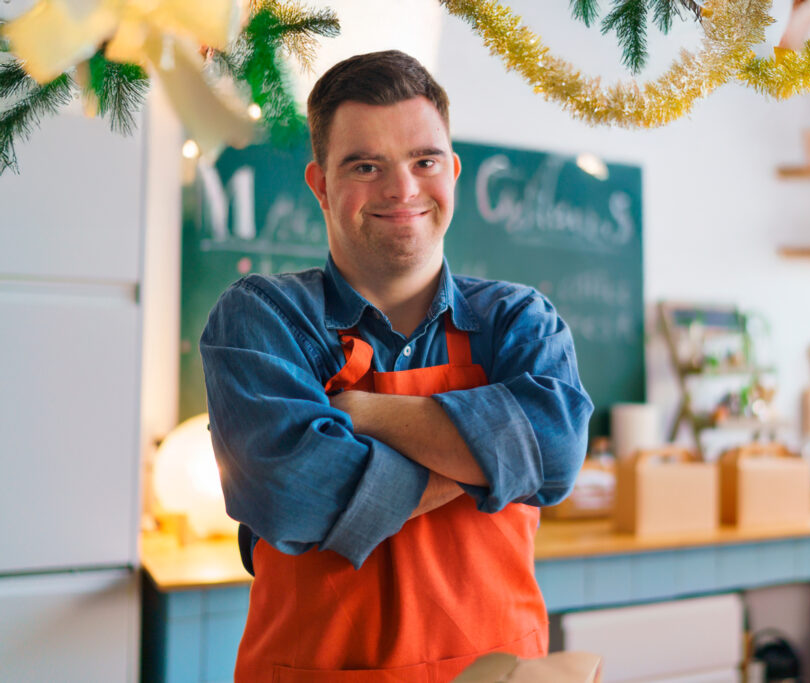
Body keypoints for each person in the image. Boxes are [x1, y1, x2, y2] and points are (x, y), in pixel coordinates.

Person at [200, 49, 593, 681]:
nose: (402, 188)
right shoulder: (263, 318)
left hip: (498, 671)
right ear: (321, 185)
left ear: (453, 172)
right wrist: (494, 461)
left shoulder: (519, 320)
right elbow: (299, 499)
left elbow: (556, 453)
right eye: (365, 165)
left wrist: (365, 414)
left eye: (424, 160)